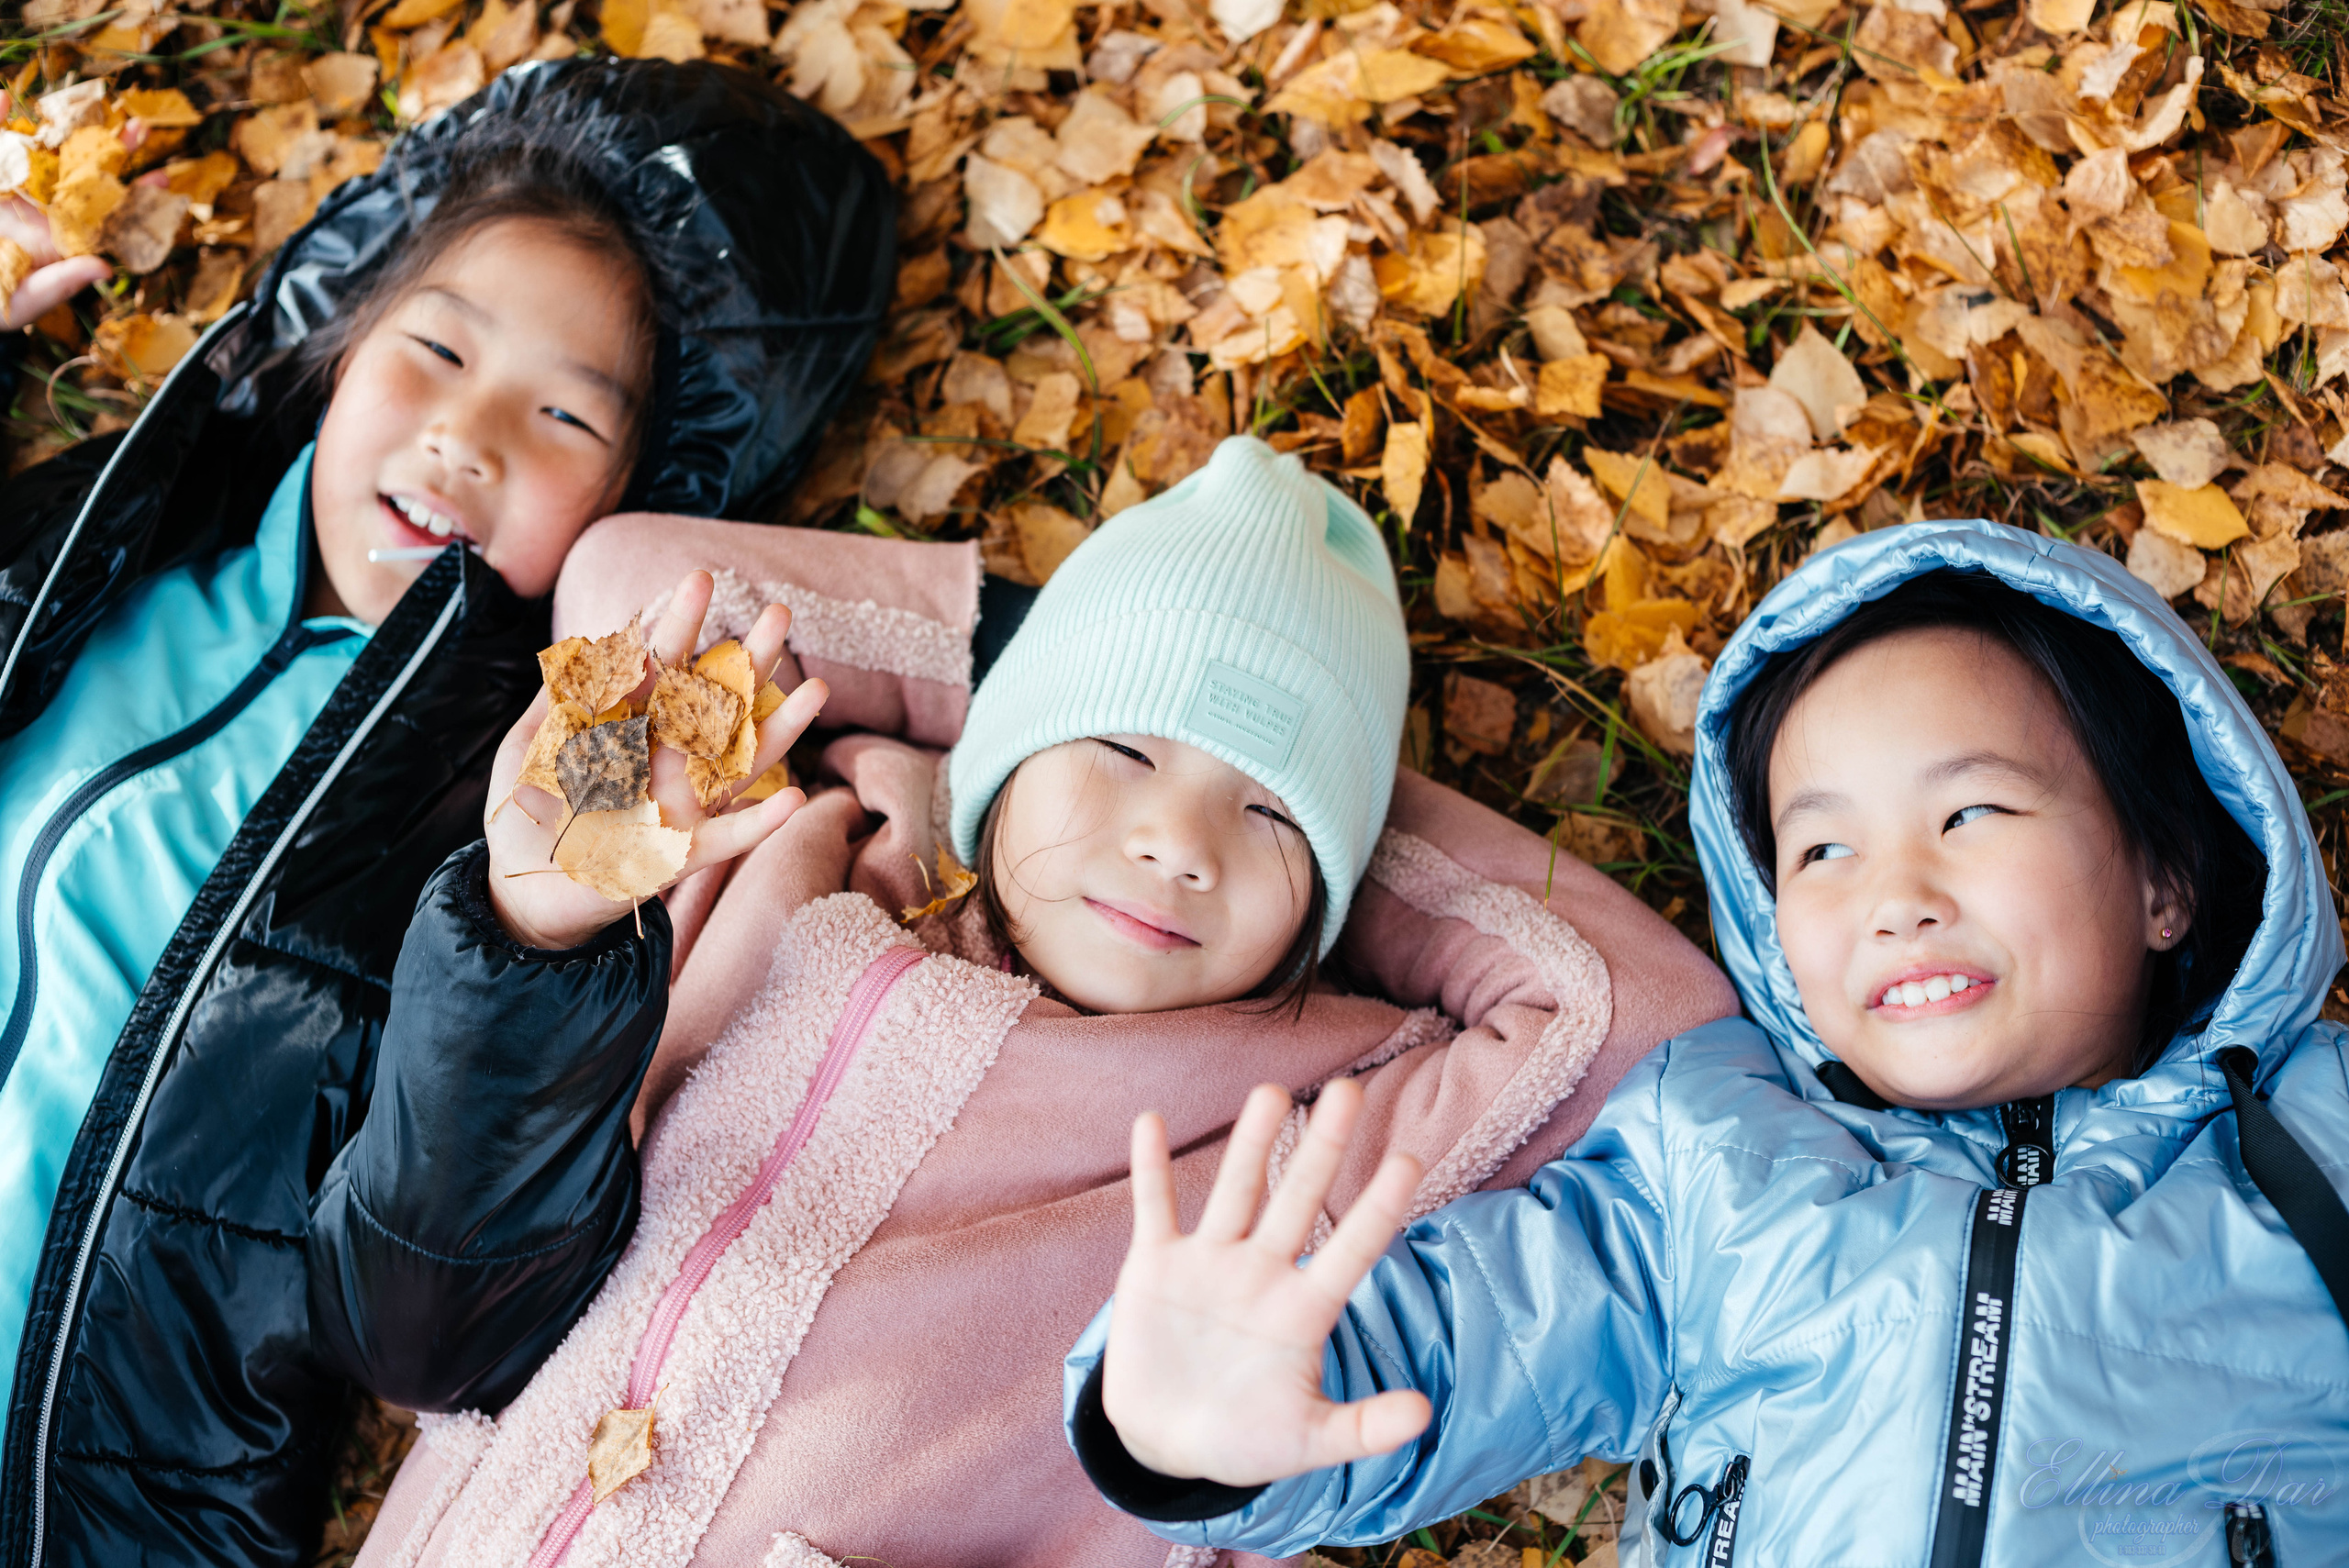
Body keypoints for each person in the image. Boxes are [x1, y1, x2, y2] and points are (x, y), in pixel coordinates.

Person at [320, 435, 1741, 1567]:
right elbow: (646, 581)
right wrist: (1039, 667)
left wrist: (1340, 825)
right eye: (1118, 746)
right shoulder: (807, 856)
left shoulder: (1305, 1115)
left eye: (1267, 815)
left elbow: (1636, 1011)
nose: (1179, 839)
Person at [0, 58, 894, 1566]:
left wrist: (536, 929)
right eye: (435, 349)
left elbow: (428, 1330)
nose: (468, 434)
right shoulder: (105, 541)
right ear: (339, 348)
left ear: (636, 494)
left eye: (561, 411)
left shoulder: (517, 790)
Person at [1065, 521, 2349, 1564]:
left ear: (2163, 880)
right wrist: (1206, 1413)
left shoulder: (2321, 1136)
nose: (1897, 895)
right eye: (1824, 848)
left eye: (1971, 812)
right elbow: (1489, 1326)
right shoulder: (1717, 1156)